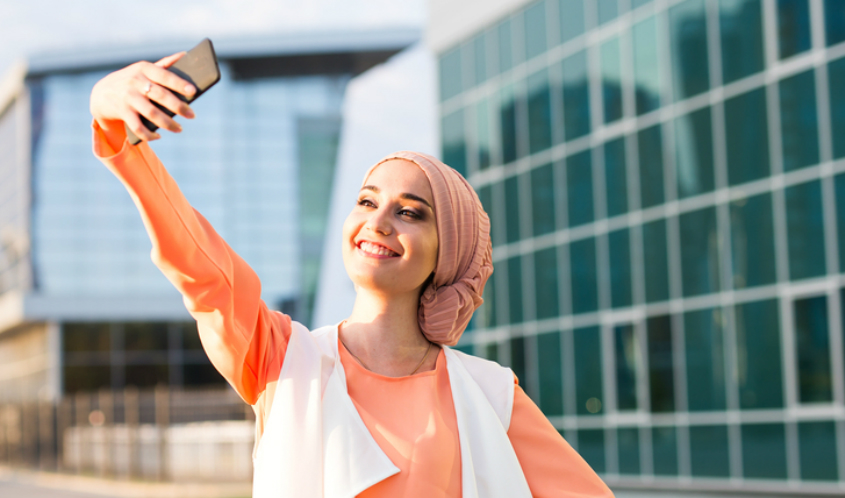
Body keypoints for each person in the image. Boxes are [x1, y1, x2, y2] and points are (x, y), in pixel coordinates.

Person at [89, 52, 613, 498]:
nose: (378, 222)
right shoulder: (281, 358)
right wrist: (116, 128)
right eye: (367, 200)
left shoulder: (489, 393)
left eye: (411, 212)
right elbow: (201, 269)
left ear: (446, 254)